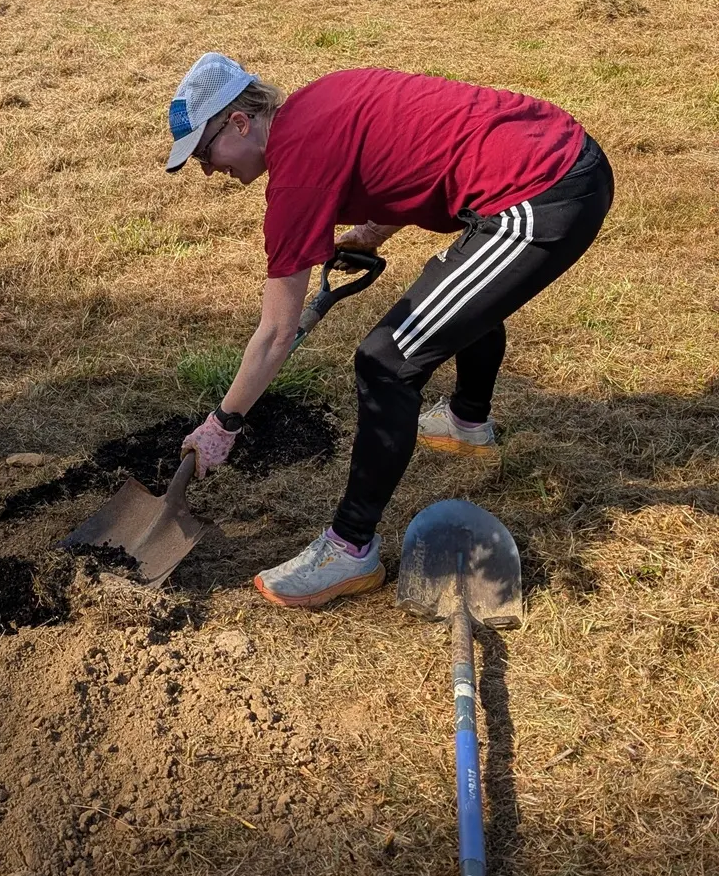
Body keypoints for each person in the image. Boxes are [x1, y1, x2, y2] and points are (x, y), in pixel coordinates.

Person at [168, 54, 613, 610]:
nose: (208, 171)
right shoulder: (319, 102)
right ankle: (466, 422)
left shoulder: (296, 168)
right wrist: (371, 232)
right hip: (553, 150)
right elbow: (413, 157)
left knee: (385, 361)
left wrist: (223, 424)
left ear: (239, 122)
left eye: (205, 153)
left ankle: (349, 548)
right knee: (460, 294)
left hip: (541, 192)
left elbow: (275, 333)